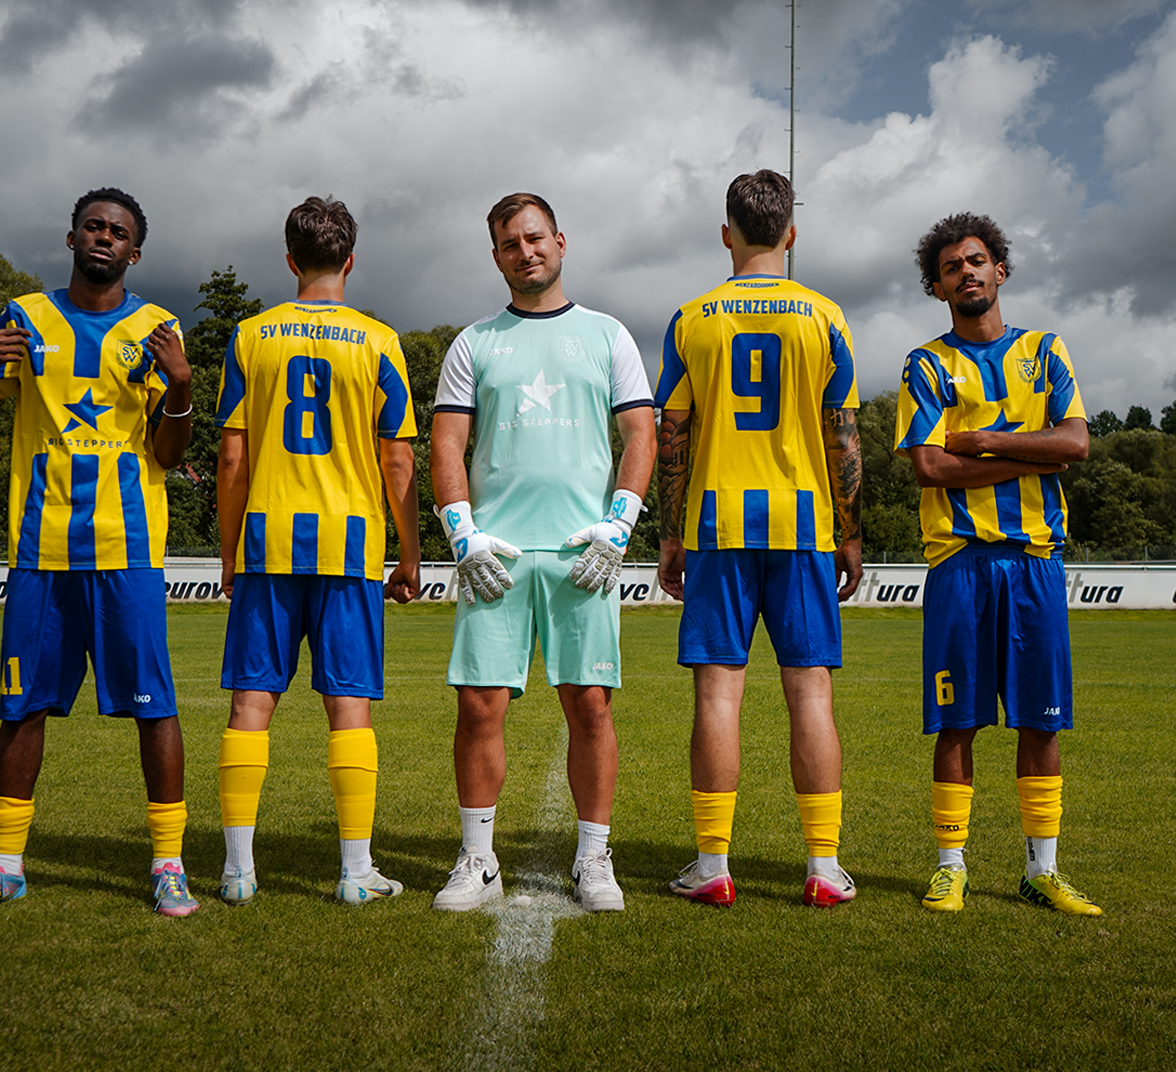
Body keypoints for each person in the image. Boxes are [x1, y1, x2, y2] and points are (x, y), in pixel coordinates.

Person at [0, 187, 199, 917]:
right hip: (41, 550)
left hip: (128, 550)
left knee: (155, 708)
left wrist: (181, 386)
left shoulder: (157, 327)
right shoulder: (25, 317)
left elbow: (168, 452)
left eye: (118, 231)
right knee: (22, 707)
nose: (104, 237)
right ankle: (5, 865)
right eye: (93, 226)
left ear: (134, 252)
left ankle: (168, 865)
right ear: (72, 238)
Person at [428, 192, 655, 914]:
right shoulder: (474, 342)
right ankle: (478, 860)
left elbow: (641, 433)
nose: (524, 252)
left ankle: (594, 859)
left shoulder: (608, 334)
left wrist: (620, 525)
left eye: (534, 238)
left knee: (590, 705)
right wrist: (461, 533)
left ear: (560, 241)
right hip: (494, 553)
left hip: (583, 550)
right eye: (509, 243)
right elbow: (446, 443)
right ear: (496, 256)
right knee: (478, 706)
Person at [655, 169, 864, 909]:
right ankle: (823, 867)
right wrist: (849, 532)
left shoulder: (692, 318)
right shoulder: (825, 316)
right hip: (803, 524)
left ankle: (713, 865)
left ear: (727, 234)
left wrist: (671, 535)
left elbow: (672, 431)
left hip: (718, 525)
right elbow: (844, 435)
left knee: (719, 694)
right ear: (791, 234)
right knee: (810, 692)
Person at [213, 196, 420, 906]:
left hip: (268, 542)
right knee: (349, 705)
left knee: (251, 702)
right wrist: (411, 555)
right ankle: (355, 872)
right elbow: (399, 460)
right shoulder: (379, 341)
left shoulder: (250, 337)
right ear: (350, 261)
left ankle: (238, 871)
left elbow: (232, 457)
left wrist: (229, 553)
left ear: (290, 259)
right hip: (349, 545)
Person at [893, 212, 1101, 916]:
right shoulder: (926, 364)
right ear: (937, 287)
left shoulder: (1044, 350)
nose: (967, 274)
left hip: (1035, 561)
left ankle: (1042, 870)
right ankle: (950, 866)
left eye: (977, 261)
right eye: (951, 268)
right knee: (957, 721)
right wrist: (1029, 455)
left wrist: (981, 441)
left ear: (1000, 270)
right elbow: (929, 467)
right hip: (960, 563)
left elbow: (1076, 443)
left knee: (1042, 720)